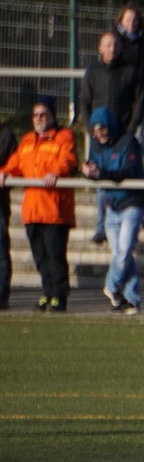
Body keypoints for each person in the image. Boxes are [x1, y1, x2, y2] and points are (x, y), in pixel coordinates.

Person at [0, 97, 78, 312]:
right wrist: (5, 172)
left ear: (52, 116)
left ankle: (59, 295)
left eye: (43, 114)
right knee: (40, 257)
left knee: (55, 255)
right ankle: (47, 292)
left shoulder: (64, 137)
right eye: (35, 115)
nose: (39, 119)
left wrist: (56, 172)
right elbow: (15, 163)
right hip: (33, 210)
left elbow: (68, 159)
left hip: (54, 209)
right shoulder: (27, 141)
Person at [79, 107, 144, 315]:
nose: (99, 134)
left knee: (124, 252)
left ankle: (111, 287)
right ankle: (129, 300)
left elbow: (126, 170)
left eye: (102, 129)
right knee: (123, 255)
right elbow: (94, 169)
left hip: (132, 202)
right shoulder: (95, 144)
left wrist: (100, 173)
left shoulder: (128, 142)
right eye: (95, 131)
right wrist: (87, 171)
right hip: (111, 205)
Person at [80, 31, 144, 242]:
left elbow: (140, 100)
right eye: (108, 45)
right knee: (99, 175)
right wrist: (91, 129)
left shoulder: (129, 70)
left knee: (126, 174)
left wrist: (132, 127)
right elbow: (84, 102)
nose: (112, 49)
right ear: (100, 48)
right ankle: (101, 225)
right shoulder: (93, 71)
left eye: (116, 45)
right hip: (99, 137)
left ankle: (133, 214)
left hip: (122, 137)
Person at [114, 5, 144, 145]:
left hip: (140, 98)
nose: (132, 23)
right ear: (121, 21)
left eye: (135, 20)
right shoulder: (115, 44)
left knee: (138, 137)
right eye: (128, 19)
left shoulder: (143, 45)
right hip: (120, 97)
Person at [0, 119, 18, 310]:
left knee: (1, 250)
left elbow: (13, 163)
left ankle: (2, 294)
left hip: (0, 201)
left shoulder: (6, 135)